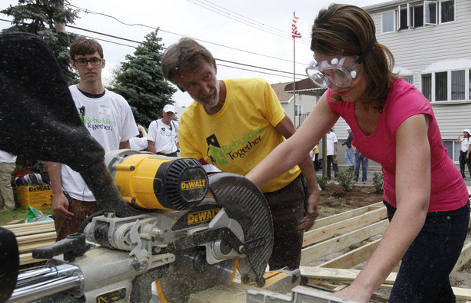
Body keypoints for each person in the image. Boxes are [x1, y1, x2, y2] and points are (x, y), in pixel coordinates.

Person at [245, 4, 469, 302]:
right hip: (396, 204)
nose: (332, 85)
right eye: (323, 73)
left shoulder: (408, 109)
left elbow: (416, 203)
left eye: (338, 72)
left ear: (367, 60)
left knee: (409, 294)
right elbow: (293, 149)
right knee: (431, 286)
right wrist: (242, 187)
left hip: (442, 213)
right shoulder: (340, 95)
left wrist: (362, 287)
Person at [160, 38, 320, 270]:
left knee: (284, 270)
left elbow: (296, 141)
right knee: (247, 268)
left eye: (206, 77)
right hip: (240, 203)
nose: (205, 89)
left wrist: (313, 187)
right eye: (193, 85)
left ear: (214, 66)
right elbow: (193, 178)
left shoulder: (254, 90)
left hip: (284, 193)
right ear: (181, 87)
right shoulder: (189, 124)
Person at [48, 37, 138, 241]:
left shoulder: (119, 103)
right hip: (74, 198)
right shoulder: (64, 99)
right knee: (70, 254)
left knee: (110, 255)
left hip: (109, 196)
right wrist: (57, 193)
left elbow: (125, 151)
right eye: (82, 61)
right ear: (73, 65)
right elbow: (54, 151)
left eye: (94, 60)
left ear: (103, 63)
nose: (89, 66)